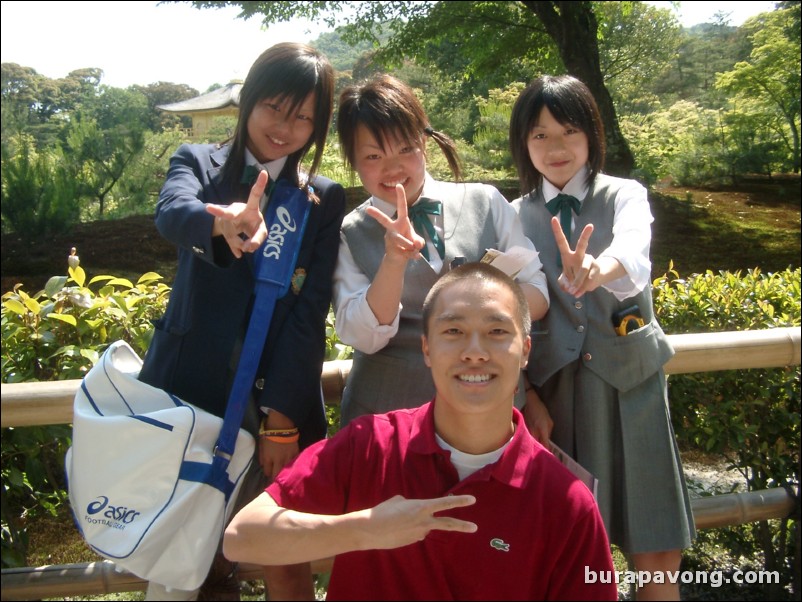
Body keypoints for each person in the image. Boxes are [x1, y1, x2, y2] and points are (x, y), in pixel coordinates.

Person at [223, 262, 617, 601]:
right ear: (426, 349)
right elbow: (243, 536)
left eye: (497, 331)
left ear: (526, 349)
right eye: (453, 331)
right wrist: (365, 529)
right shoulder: (370, 446)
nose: (474, 351)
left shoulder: (565, 502)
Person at [137, 42, 345, 601]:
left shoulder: (322, 200)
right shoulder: (198, 163)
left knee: (282, 553)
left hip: (271, 407)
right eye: (275, 107)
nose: (285, 127)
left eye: (304, 117)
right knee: (180, 550)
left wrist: (281, 416)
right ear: (249, 99)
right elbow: (171, 212)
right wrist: (218, 224)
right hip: (187, 395)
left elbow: (310, 312)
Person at [508, 74, 695, 601]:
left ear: (592, 133)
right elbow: (508, 310)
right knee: (564, 553)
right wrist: (528, 398)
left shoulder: (625, 196)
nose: (556, 147)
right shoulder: (515, 216)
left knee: (654, 545)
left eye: (568, 131)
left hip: (630, 389)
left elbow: (634, 254)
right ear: (524, 143)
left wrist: (598, 266)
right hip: (556, 397)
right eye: (540, 135)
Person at [332, 74, 549, 427]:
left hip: (488, 413)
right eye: (373, 155)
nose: (393, 168)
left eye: (405, 149)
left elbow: (538, 294)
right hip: (386, 419)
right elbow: (361, 335)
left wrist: (481, 301)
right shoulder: (348, 232)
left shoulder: (486, 201)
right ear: (353, 162)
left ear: (424, 144)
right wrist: (392, 263)